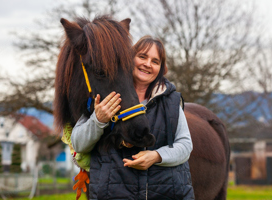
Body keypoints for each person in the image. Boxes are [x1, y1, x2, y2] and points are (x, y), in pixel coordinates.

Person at [71, 35, 195, 200]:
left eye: (155, 61)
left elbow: (185, 145)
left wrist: (157, 156)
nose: (147, 64)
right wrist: (98, 120)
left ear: (160, 69)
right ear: (129, 59)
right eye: (142, 56)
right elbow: (78, 143)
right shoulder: (105, 93)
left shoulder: (170, 101)